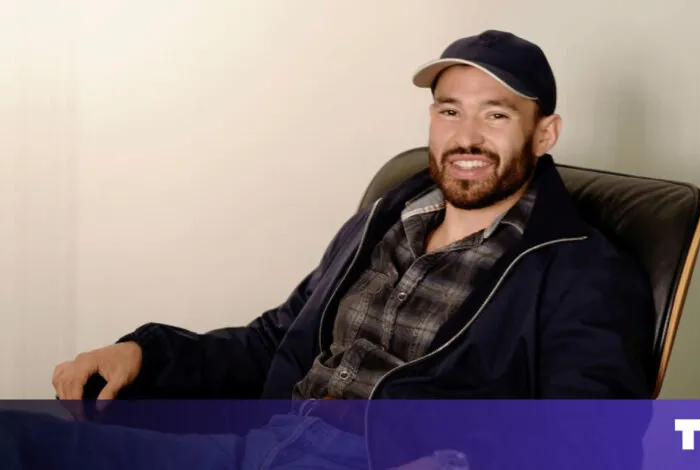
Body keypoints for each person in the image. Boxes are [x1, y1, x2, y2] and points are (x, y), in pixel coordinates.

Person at [3, 29, 655, 470]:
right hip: (262, 444)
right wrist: (146, 351)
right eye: (449, 111)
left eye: (497, 114)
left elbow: (593, 444)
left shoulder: (584, 271)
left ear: (545, 134)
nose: (466, 136)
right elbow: (276, 340)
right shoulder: (389, 215)